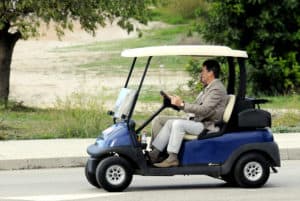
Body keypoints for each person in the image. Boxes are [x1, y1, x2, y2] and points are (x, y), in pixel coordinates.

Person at [149, 59, 228, 168]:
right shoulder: (207, 88)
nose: (201, 74)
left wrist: (182, 104)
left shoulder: (217, 89)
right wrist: (177, 103)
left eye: (203, 71)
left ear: (211, 72)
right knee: (160, 120)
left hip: (207, 125)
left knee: (177, 124)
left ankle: (172, 158)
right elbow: (196, 107)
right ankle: (156, 154)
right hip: (197, 121)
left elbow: (205, 110)